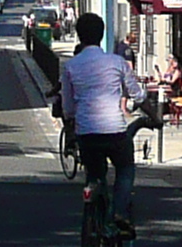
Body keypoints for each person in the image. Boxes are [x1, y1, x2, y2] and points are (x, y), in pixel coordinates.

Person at [58, 12, 148, 228]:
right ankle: (119, 213)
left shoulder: (70, 66)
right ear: (102, 34)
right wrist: (152, 116)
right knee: (125, 169)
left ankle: (93, 214)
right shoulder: (117, 62)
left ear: (79, 36)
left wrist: (73, 118)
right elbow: (138, 95)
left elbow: (68, 108)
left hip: (86, 132)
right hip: (114, 130)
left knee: (95, 174)